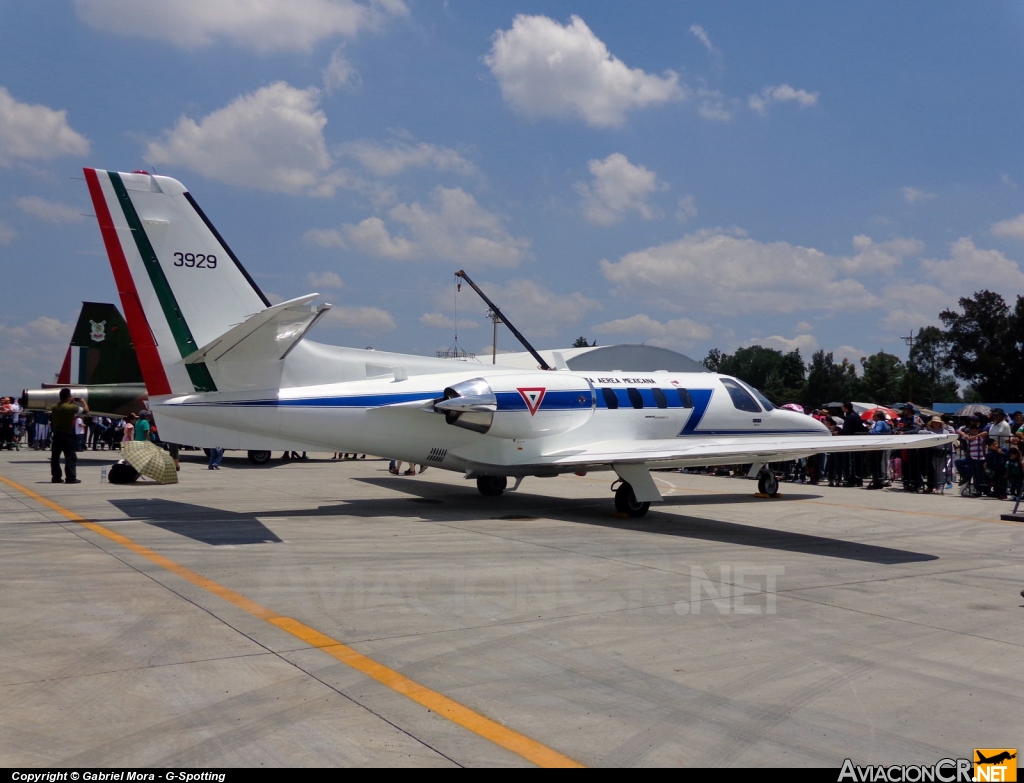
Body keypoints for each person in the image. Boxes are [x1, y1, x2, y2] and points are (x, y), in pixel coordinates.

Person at [50, 389, 88, 484]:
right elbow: (86, 410)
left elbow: (63, 407)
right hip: (67, 435)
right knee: (70, 457)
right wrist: (83, 402)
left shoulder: (54, 407)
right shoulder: (71, 408)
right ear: (68, 396)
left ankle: (56, 477)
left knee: (55, 458)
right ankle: (70, 477)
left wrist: (69, 402)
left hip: (57, 435)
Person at [864, 410, 892, 490]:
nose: (873, 417)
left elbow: (876, 431)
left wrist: (869, 430)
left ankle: (877, 480)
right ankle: (879, 480)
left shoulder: (879, 422)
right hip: (883, 445)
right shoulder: (886, 423)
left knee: (871, 462)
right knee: (879, 464)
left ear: (878, 417)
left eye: (874, 416)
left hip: (877, 446)